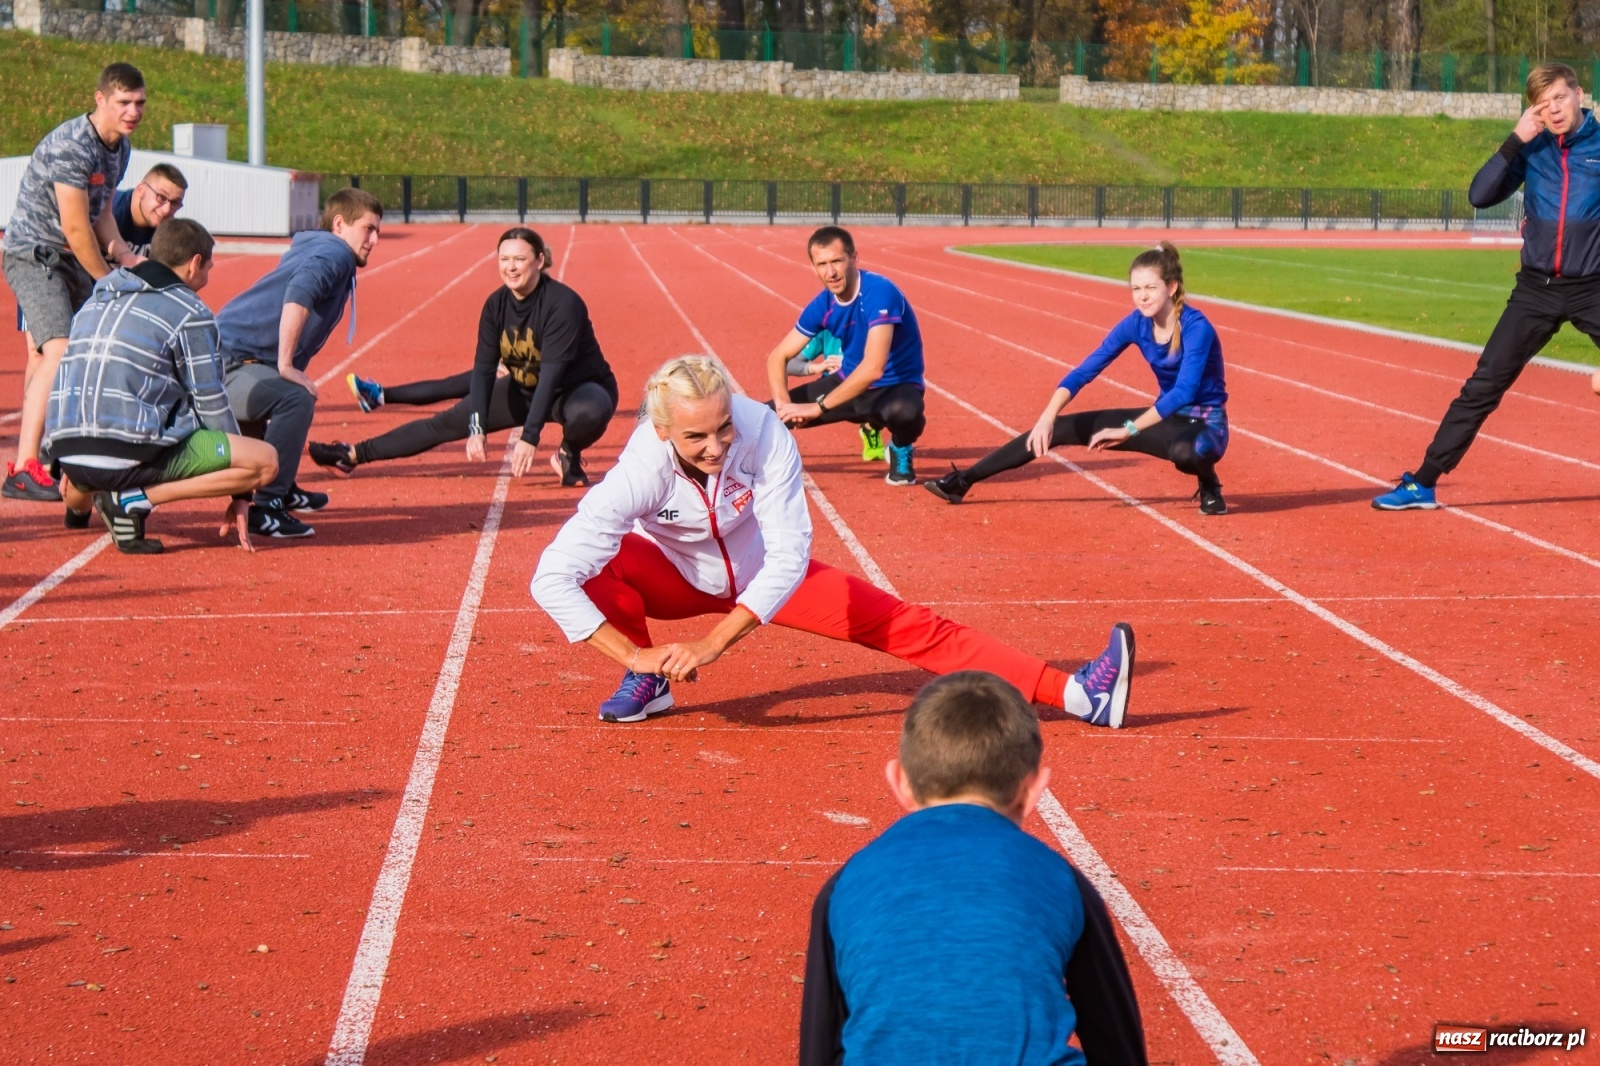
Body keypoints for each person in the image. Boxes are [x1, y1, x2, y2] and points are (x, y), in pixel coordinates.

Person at [530, 355, 1135, 727]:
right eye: (696, 438)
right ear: (661, 430)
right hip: (672, 575)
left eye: (723, 428)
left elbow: (790, 553)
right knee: (590, 566)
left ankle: (1079, 696)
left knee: (911, 625)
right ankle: (648, 684)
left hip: (765, 572)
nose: (716, 447)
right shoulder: (639, 469)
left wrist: (717, 642)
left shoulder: (764, 432)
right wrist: (635, 656)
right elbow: (550, 574)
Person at [799, 671, 1148, 1066]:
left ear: (900, 782)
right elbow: (1116, 1043)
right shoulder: (1063, 882)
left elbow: (820, 1043)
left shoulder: (844, 886)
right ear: (1032, 790)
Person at [1375, 63, 1600, 510]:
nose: (1552, 109)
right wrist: (1516, 139)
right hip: (1536, 289)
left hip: (1593, 285)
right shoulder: (1531, 149)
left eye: (1559, 97)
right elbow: (1480, 195)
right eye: (1541, 104)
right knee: (1483, 386)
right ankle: (1423, 482)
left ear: (1578, 93)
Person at [925, 242, 1230, 516]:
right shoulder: (1135, 324)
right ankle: (962, 481)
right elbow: (1086, 370)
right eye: (1136, 289)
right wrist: (1047, 415)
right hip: (1169, 420)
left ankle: (1209, 483)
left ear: (1172, 287)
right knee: (1060, 427)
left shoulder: (1195, 327)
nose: (1142, 296)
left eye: (1150, 288)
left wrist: (1129, 430)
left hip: (1207, 425)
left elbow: (1184, 391)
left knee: (1185, 454)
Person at [309, 227, 618, 487]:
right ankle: (351, 455)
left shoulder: (562, 304)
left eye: (520, 259)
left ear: (539, 260)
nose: (511, 267)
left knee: (590, 411)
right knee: (441, 425)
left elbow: (551, 374)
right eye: (504, 259)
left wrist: (530, 436)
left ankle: (569, 451)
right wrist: (477, 427)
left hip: (577, 389)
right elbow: (483, 371)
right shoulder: (495, 305)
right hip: (525, 389)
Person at [45, 219, 277, 555]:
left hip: (68, 449)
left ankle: (79, 505)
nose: (206, 280)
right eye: (208, 269)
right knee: (265, 461)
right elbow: (210, 400)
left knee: (98, 459)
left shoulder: (99, 297)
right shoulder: (190, 310)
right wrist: (241, 492)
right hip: (124, 456)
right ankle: (133, 500)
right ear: (194, 262)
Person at [2, 62, 147, 503]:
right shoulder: (72, 146)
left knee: (65, 353)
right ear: (100, 99)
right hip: (35, 254)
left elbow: (101, 213)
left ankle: (50, 449)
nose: (133, 111)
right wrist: (107, 280)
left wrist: (124, 258)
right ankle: (24, 467)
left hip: (68, 259)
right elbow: (75, 227)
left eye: (140, 103)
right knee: (60, 347)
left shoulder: (119, 149)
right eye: (123, 102)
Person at [215, 186, 382, 538]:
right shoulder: (335, 253)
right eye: (369, 229)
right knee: (295, 395)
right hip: (226, 364)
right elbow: (300, 293)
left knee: (283, 394)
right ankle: (269, 505)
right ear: (340, 224)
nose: (375, 239)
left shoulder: (323, 248)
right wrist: (286, 364)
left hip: (235, 355)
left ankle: (280, 486)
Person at [764, 226, 927, 485]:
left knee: (907, 413)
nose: (830, 272)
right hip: (848, 384)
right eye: (822, 264)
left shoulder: (880, 291)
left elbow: (874, 368)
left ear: (854, 258)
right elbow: (777, 357)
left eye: (837, 261)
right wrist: (785, 407)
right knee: (764, 418)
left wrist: (816, 409)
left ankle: (900, 447)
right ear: (813, 268)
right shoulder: (823, 304)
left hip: (894, 388)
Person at [111, 162, 188, 257]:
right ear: (140, 190)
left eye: (175, 203)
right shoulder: (108, 209)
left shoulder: (167, 232)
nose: (166, 210)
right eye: (161, 197)